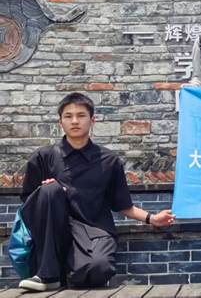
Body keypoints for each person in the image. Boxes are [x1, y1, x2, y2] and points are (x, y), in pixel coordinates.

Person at [17, 93, 175, 292]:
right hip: (53, 230)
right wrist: (48, 193)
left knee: (99, 268)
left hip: (93, 229)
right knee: (49, 189)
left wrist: (152, 218)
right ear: (60, 122)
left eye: (81, 115)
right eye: (68, 116)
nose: (75, 121)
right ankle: (47, 275)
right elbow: (28, 203)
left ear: (92, 120)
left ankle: (66, 273)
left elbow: (122, 205)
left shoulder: (109, 161)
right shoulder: (44, 156)